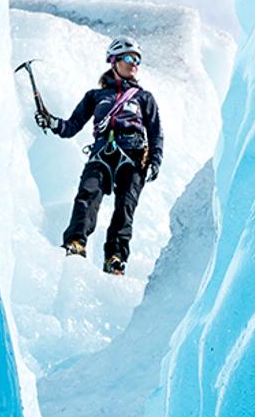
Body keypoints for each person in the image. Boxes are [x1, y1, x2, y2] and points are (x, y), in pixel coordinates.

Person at [40, 35, 163, 275]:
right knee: (87, 194)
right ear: (114, 61)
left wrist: (155, 160)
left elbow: (156, 132)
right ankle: (76, 242)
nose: (134, 63)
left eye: (137, 59)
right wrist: (53, 123)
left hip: (134, 155)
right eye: (128, 58)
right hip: (101, 153)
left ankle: (115, 257)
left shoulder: (144, 98)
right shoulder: (95, 96)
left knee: (125, 207)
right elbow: (72, 126)